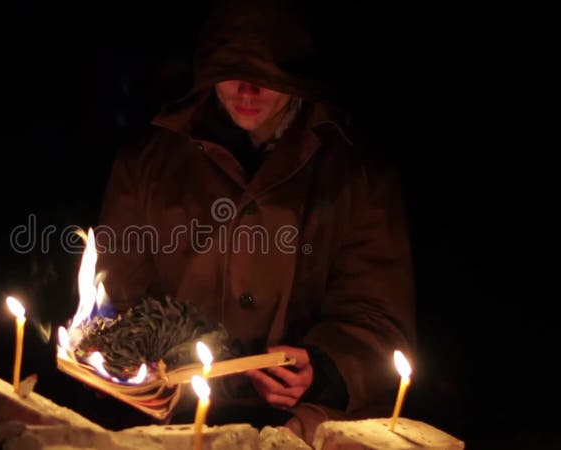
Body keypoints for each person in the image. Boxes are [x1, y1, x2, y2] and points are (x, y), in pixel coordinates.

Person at [94, 0, 416, 443]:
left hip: (301, 426)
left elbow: (376, 316)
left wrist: (319, 369)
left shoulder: (356, 179)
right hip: (172, 425)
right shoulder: (147, 166)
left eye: (267, 77)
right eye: (232, 72)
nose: (248, 90)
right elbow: (116, 304)